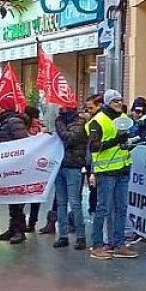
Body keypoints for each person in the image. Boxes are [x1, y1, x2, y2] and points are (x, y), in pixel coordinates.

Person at [87, 90, 139, 260]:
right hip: (106, 171)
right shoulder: (97, 121)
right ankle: (97, 245)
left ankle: (118, 244)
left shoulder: (123, 118)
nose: (119, 103)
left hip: (123, 168)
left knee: (121, 208)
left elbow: (124, 140)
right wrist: (117, 140)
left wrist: (129, 142)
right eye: (115, 100)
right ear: (108, 102)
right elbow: (94, 146)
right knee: (103, 208)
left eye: (121, 100)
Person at [0, 99, 31, 244]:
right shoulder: (7, 122)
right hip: (9, 166)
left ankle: (19, 231)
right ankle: (13, 228)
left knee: (16, 199)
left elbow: (22, 143)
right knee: (11, 198)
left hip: (16, 167)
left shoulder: (13, 122)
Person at [52, 105, 88, 250]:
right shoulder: (68, 122)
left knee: (74, 202)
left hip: (73, 166)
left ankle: (80, 236)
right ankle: (63, 235)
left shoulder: (79, 124)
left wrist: (59, 125)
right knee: (61, 203)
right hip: (60, 165)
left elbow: (69, 138)